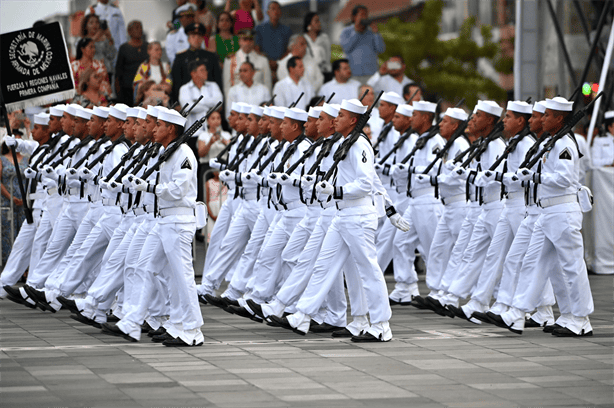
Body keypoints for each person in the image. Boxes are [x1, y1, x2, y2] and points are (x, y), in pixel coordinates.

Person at [496, 97, 595, 337]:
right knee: (534, 263)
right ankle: (517, 312)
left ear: (559, 118)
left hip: (562, 211)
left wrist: (536, 177)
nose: (542, 119)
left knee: (572, 267)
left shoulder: (564, 145)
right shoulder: (553, 141)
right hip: (547, 211)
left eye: (547, 115)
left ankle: (581, 320)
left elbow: (565, 179)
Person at [171, 22, 223, 104]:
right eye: (193, 36)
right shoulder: (180, 58)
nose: (196, 39)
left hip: (209, 99)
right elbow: (176, 83)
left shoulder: (211, 57)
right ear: (188, 39)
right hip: (187, 100)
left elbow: (217, 80)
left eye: (199, 36)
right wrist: (176, 103)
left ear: (202, 38)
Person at [1, 137, 29, 266]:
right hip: (8, 202)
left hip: (24, 202)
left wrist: (26, 197)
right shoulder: (2, 159)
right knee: (9, 235)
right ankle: (9, 266)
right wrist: (10, 197)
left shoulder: (26, 159)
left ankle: (23, 267)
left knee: (23, 236)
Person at [339, 5, 385, 83]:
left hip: (371, 74)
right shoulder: (346, 31)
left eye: (366, 15)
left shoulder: (372, 32)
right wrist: (356, 31)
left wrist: (376, 33)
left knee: (370, 95)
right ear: (354, 17)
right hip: (354, 75)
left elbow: (381, 49)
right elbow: (346, 48)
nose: (364, 17)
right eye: (362, 15)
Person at [223, 29, 272, 98]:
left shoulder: (263, 60)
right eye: (245, 40)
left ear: (254, 42)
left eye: (250, 40)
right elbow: (227, 86)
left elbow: (267, 85)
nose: (248, 43)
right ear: (239, 41)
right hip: (238, 99)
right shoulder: (230, 60)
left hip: (258, 99)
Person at [178, 60, 224, 131]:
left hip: (213, 130)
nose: (206, 72)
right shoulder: (184, 88)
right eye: (202, 70)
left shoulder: (213, 85)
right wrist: (209, 109)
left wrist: (196, 101)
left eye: (206, 70)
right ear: (193, 73)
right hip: (193, 131)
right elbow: (188, 108)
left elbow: (219, 102)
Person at [115, 20, 148, 105]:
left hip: (145, 88)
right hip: (128, 89)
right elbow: (118, 72)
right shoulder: (124, 48)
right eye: (136, 27)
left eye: (141, 27)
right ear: (129, 31)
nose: (140, 30)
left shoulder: (147, 46)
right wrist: (119, 94)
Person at [255, 1, 292, 75]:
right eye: (273, 9)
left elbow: (289, 49)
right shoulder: (259, 29)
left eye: (278, 9)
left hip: (282, 66)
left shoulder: (287, 30)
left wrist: (279, 62)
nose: (275, 11)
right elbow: (256, 49)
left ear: (281, 12)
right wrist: (268, 62)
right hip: (264, 66)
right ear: (268, 12)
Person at [303, 12, 332, 79]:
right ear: (309, 24)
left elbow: (328, 56)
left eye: (319, 21)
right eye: (316, 21)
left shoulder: (324, 38)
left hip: (324, 73)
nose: (319, 23)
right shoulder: (303, 39)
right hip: (309, 74)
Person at [205, 171, 228, 242]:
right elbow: (207, 200)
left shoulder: (226, 182)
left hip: (225, 210)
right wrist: (211, 215)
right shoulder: (209, 182)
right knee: (212, 237)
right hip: (213, 211)